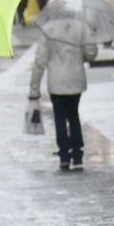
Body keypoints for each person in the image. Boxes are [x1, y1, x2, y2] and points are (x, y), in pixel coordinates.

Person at [29, 17, 98, 171]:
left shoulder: (48, 29)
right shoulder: (81, 26)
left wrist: (34, 89)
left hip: (56, 81)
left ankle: (64, 156)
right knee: (73, 115)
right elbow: (91, 53)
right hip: (75, 79)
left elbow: (40, 60)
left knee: (59, 117)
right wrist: (81, 53)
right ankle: (78, 154)